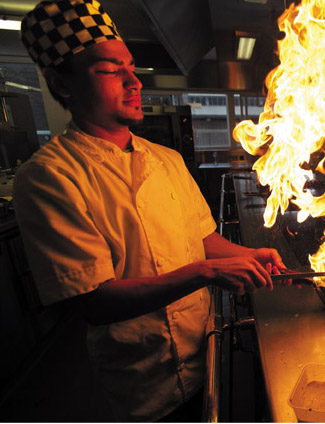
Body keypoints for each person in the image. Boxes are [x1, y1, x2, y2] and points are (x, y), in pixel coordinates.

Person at [15, 0, 289, 421]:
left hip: (204, 347)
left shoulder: (166, 159)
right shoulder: (48, 177)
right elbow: (95, 301)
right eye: (109, 70)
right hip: (141, 379)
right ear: (61, 84)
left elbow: (201, 238)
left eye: (131, 67)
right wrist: (209, 272)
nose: (133, 81)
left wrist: (245, 256)